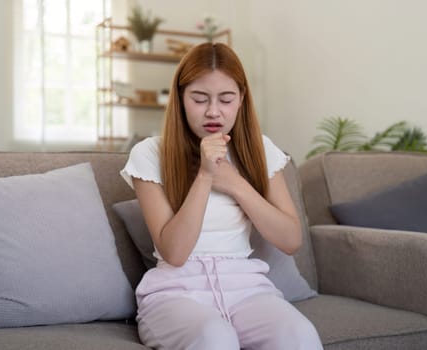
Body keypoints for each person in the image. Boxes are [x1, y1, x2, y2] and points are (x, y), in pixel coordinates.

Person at [120, 42, 323, 350]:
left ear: (241, 99)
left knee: (299, 334)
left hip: (247, 289)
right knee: (215, 338)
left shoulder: (261, 150)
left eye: (226, 99)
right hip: (176, 293)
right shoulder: (149, 153)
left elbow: (291, 239)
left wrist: (235, 184)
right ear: (180, 99)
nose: (213, 111)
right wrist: (204, 176)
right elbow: (175, 253)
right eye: (199, 99)